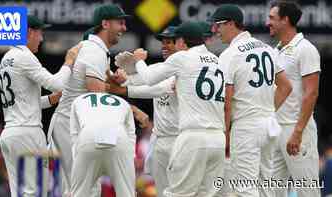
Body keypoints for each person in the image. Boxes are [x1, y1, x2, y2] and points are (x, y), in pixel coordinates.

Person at [48, 4, 148, 196]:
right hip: (71, 124)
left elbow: (99, 91)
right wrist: (134, 111)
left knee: (83, 188)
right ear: (104, 23)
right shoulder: (94, 51)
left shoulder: (98, 51)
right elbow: (99, 100)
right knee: (83, 189)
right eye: (120, 23)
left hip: (76, 124)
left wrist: (115, 80)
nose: (124, 28)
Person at [128, 21, 225, 197]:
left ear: (181, 41)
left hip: (193, 137)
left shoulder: (183, 58)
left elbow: (149, 78)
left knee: (177, 193)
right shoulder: (217, 61)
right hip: (218, 139)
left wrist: (139, 62)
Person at [209, 4, 292, 197]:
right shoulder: (267, 48)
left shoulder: (229, 55)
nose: (215, 31)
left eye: (218, 25)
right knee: (265, 187)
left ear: (231, 24)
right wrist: (268, 110)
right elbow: (286, 87)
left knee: (245, 188)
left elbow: (227, 101)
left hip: (246, 127)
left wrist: (226, 136)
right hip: (269, 125)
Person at [0, 15, 80, 197]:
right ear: (29, 32)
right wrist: (69, 61)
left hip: (10, 134)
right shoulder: (24, 56)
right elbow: (56, 83)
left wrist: (50, 100)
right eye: (40, 33)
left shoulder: (6, 58)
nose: (42, 39)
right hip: (27, 133)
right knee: (35, 192)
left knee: (20, 193)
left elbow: (22, 101)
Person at [107, 26, 179, 197]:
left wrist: (138, 65)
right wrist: (124, 76)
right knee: (162, 192)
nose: (164, 46)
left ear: (182, 43)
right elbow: (133, 82)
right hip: (161, 141)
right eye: (163, 42)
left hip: (180, 140)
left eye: (170, 42)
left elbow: (158, 88)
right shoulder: (160, 68)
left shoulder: (185, 68)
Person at [266, 1, 321, 196]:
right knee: (270, 192)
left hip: (298, 131)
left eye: (272, 18)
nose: (267, 23)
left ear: (285, 20)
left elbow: (311, 92)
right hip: (275, 131)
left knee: (308, 192)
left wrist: (297, 132)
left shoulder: (305, 49)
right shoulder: (274, 51)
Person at [70, 92, 136, 197]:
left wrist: (78, 163)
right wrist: (130, 161)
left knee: (78, 193)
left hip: (88, 136)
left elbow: (74, 135)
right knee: (127, 193)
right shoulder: (124, 103)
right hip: (118, 136)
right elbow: (131, 135)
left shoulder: (78, 99)